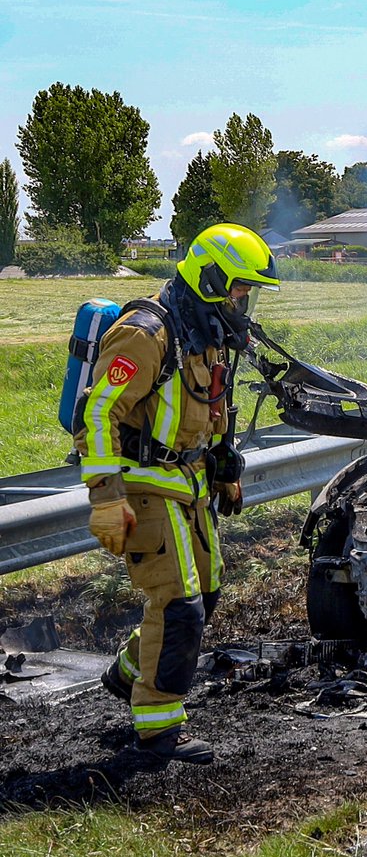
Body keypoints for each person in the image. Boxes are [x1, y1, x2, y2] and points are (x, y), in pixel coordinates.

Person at [80, 223, 279, 764]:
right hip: (144, 486)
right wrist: (104, 496)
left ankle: (128, 673)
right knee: (180, 606)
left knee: (207, 592)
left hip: (187, 486)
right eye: (240, 289)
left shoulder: (204, 333)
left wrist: (222, 469)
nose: (245, 301)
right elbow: (98, 412)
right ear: (212, 278)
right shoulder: (146, 334)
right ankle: (158, 729)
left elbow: (208, 408)